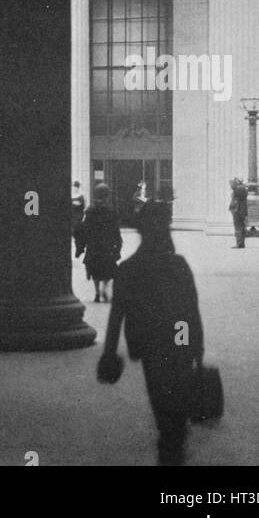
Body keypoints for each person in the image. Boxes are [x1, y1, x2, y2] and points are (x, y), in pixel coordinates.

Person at [97, 200, 205, 467]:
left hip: (148, 348)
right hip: (177, 347)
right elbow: (189, 313)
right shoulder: (177, 265)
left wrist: (109, 353)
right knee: (176, 415)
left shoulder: (128, 270)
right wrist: (194, 350)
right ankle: (172, 453)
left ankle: (169, 451)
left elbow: (116, 317)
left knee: (162, 406)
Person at [80, 183, 122, 303]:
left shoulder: (90, 210)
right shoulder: (111, 211)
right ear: (107, 196)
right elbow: (116, 230)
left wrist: (83, 244)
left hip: (93, 244)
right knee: (109, 268)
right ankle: (104, 288)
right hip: (107, 244)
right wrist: (118, 245)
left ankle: (97, 293)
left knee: (94, 269)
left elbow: (85, 228)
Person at [229, 178, 248, 248]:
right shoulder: (242, 188)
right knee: (241, 227)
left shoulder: (240, 188)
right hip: (240, 210)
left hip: (238, 210)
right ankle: (241, 243)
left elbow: (234, 189)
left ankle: (239, 243)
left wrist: (233, 184)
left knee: (238, 227)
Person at [71, 181, 86, 258]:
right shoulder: (71, 195)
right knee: (75, 234)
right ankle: (79, 247)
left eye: (76, 187)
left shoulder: (80, 196)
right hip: (71, 216)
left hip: (78, 217)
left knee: (75, 232)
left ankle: (79, 248)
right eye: (73, 187)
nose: (74, 189)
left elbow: (82, 206)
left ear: (78, 188)